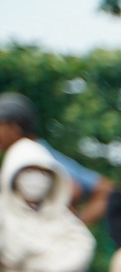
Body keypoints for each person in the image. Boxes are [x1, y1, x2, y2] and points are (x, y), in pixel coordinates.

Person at [0, 139, 100, 272]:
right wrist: (51, 253)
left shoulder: (64, 218)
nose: (36, 179)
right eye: (28, 172)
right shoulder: (3, 216)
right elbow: (10, 249)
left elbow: (81, 250)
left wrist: (29, 256)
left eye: (43, 173)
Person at [0, 93, 109, 224]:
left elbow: (75, 189)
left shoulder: (32, 153)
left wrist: (75, 225)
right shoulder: (29, 152)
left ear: (14, 127)